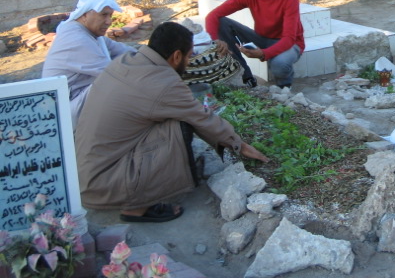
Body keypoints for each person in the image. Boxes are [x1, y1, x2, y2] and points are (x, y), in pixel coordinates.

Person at [75, 21, 268, 223]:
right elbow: (202, 117)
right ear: (176, 56)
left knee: (173, 119)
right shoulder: (164, 83)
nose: (189, 60)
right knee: (180, 127)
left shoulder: (126, 60)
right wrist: (240, 145)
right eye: (189, 55)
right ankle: (137, 208)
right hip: (107, 184)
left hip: (87, 174)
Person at [42, 0, 136, 130]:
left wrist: (150, 56)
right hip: (64, 113)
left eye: (110, 16)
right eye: (104, 15)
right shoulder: (76, 38)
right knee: (118, 85)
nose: (109, 21)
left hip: (77, 100)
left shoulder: (90, 34)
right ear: (85, 14)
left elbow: (124, 51)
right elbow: (114, 74)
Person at [205, 0, 305, 89]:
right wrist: (216, 41)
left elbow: (289, 38)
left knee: (279, 64)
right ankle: (246, 78)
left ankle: (284, 89)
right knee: (221, 23)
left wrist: (264, 53)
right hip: (261, 38)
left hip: (290, 42)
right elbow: (212, 16)